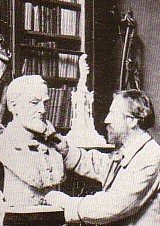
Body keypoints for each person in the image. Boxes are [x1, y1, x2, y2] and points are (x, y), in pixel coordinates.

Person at [44, 89, 160, 225]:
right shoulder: (130, 150)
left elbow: (115, 204)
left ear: (132, 121)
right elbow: (101, 165)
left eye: (113, 113)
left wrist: (67, 203)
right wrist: (67, 151)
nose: (107, 120)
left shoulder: (150, 156)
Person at [0, 75, 65, 206]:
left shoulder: (56, 146)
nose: (43, 110)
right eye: (34, 103)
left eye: (45, 103)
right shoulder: (0, 145)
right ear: (12, 106)